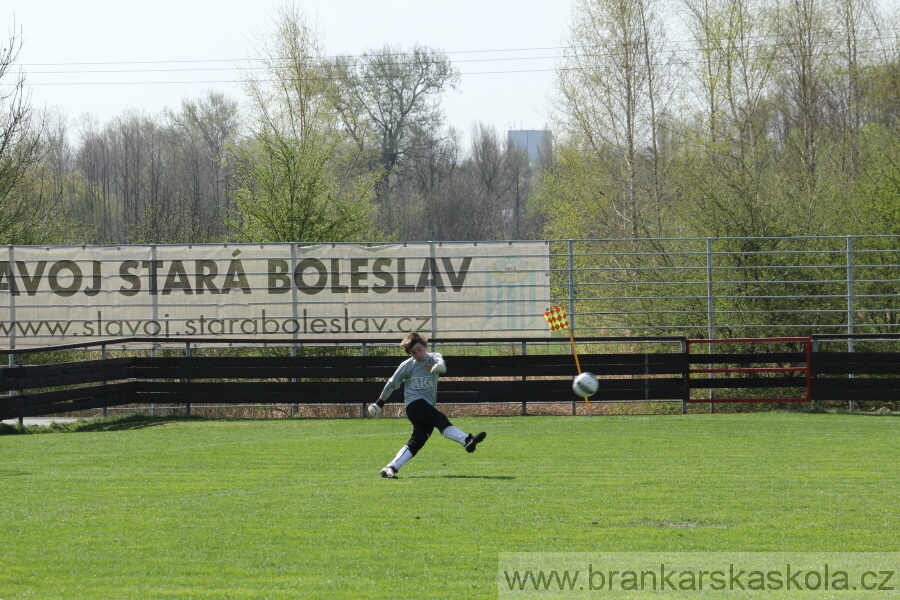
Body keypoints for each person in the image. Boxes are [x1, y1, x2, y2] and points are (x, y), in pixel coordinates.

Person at [368, 332, 486, 479]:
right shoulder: (407, 366)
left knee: (418, 440)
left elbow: (441, 365)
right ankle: (466, 440)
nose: (418, 354)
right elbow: (391, 384)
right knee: (440, 419)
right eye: (414, 352)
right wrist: (379, 403)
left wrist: (438, 367)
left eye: (420, 349)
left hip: (427, 406)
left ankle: (390, 468)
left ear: (424, 346)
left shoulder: (434, 357)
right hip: (414, 405)